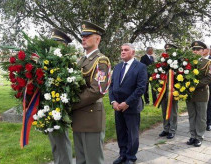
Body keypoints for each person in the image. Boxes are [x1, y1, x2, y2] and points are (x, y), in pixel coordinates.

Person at [72, 21, 110, 164]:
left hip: (91, 117)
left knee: (93, 160)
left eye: (87, 35)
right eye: (82, 36)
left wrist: (72, 103)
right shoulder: (82, 60)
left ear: (97, 39)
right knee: (80, 159)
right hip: (78, 117)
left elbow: (97, 91)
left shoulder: (101, 61)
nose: (83, 38)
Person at [109, 43, 147, 164]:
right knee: (120, 132)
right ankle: (122, 154)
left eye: (126, 50)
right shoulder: (117, 67)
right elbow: (111, 86)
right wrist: (113, 101)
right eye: (121, 50)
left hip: (131, 106)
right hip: (117, 107)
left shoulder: (140, 67)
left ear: (133, 52)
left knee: (132, 133)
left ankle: (131, 157)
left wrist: (127, 103)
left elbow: (141, 88)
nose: (122, 52)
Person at [49, 28, 73, 164]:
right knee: (54, 142)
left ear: (63, 45)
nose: (52, 46)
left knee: (62, 142)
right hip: (49, 106)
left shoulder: (66, 62)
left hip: (61, 108)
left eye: (56, 43)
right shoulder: (51, 61)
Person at [186, 41, 211, 147]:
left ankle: (199, 137)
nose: (195, 51)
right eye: (194, 49)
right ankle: (193, 136)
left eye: (198, 49)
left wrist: (194, 85)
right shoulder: (187, 62)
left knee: (201, 117)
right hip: (189, 94)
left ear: (203, 51)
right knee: (192, 115)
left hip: (201, 93)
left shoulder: (209, 62)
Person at [158, 44, 178, 139]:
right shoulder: (162, 61)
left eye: (169, 50)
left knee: (173, 111)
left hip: (173, 90)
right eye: (166, 50)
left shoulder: (178, 62)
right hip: (163, 89)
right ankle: (166, 129)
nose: (167, 52)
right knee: (164, 109)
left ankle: (172, 130)